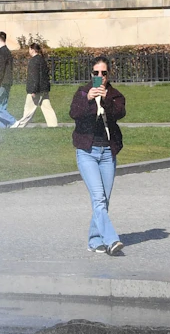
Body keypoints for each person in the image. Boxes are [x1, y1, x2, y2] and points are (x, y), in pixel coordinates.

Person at [67, 55, 127, 257]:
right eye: (96, 73)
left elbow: (119, 113)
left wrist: (105, 100)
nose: (100, 77)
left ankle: (94, 240)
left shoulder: (115, 95)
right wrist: (89, 100)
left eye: (104, 73)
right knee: (98, 198)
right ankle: (111, 240)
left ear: (109, 75)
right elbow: (74, 114)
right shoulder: (83, 92)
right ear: (91, 74)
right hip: (87, 152)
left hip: (107, 153)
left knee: (104, 200)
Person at [15, 42, 58, 127]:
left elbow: (34, 77)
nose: (29, 51)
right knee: (47, 108)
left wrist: (33, 90)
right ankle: (53, 126)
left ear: (32, 50)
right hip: (44, 89)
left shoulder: (33, 61)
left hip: (36, 90)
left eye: (29, 49)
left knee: (28, 110)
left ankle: (19, 127)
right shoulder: (42, 60)